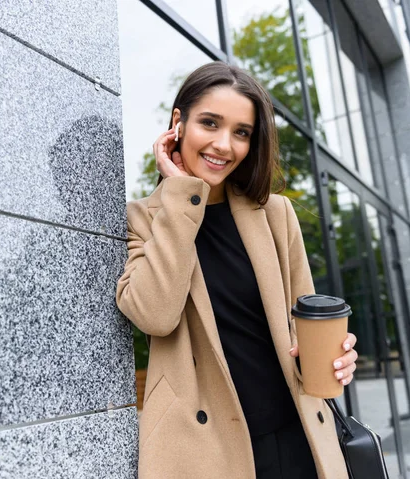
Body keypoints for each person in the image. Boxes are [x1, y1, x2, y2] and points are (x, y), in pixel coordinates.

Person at [116, 61, 358, 479]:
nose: (224, 145)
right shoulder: (144, 219)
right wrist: (180, 196)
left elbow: (303, 324)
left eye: (241, 132)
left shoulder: (274, 214)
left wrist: (334, 358)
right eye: (209, 123)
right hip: (206, 455)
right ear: (178, 123)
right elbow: (154, 314)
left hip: (297, 440)